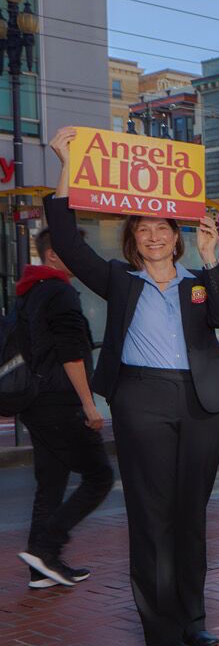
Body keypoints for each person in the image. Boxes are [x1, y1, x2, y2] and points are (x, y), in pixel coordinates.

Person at [42, 126, 219, 646]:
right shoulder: (119, 280)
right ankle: (161, 630)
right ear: (134, 239)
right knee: (152, 515)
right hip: (141, 399)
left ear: (177, 235)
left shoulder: (198, 281)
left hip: (202, 403)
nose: (155, 236)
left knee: (191, 513)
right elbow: (66, 241)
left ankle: (193, 618)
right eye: (144, 229)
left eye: (163, 228)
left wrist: (214, 257)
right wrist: (64, 165)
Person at [16, 228, 114, 590]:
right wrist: (90, 406)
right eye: (74, 247)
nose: (80, 253)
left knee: (51, 482)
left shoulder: (30, 292)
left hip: (33, 402)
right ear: (54, 254)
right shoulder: (61, 293)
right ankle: (46, 548)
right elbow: (72, 353)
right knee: (99, 476)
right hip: (60, 402)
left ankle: (41, 567)